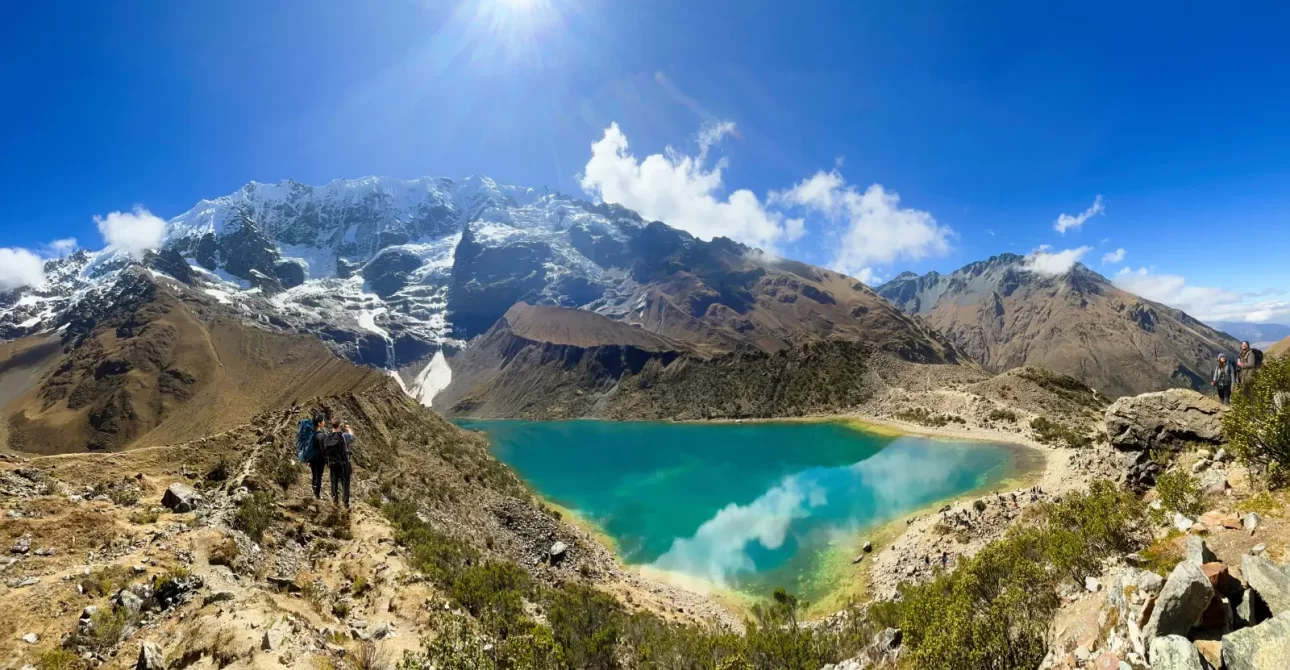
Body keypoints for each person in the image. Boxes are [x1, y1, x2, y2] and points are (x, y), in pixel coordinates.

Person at [321, 419, 355, 508]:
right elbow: (352, 437)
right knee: (345, 484)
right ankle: (345, 503)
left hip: (332, 464)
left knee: (334, 482)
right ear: (339, 426)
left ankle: (334, 501)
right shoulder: (344, 436)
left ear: (332, 426)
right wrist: (349, 428)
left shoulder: (327, 437)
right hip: (344, 464)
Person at [308, 415, 329, 499]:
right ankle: (317, 494)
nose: (324, 422)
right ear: (319, 423)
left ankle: (314, 490)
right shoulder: (321, 435)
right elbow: (323, 449)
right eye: (323, 421)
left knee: (314, 475)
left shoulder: (311, 434)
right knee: (319, 477)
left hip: (312, 458)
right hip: (319, 459)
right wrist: (326, 460)